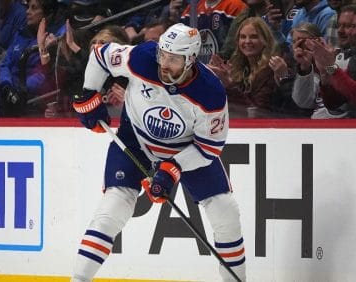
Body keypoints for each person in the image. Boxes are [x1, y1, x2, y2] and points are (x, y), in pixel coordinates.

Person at [71, 23, 246, 282]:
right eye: (163, 55)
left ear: (191, 60)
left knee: (225, 212)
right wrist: (89, 94)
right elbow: (100, 56)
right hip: (136, 141)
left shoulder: (210, 93)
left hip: (186, 150)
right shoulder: (143, 58)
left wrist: (173, 167)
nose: (164, 63)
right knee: (112, 210)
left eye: (174, 59)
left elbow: (209, 147)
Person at [0, 0, 64, 116]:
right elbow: (4, 64)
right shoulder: (22, 33)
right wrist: (6, 86)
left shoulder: (56, 37)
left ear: (48, 13)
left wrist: (19, 89)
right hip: (10, 91)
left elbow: (46, 74)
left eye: (34, 8)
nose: (27, 12)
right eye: (28, 7)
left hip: (34, 100)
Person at [209, 17, 281, 118]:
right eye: (243, 37)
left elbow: (255, 112)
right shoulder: (236, 67)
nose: (247, 41)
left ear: (265, 40)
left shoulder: (271, 70)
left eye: (254, 37)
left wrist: (230, 85)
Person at [180, 0, 247, 63]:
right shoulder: (191, 10)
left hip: (228, 68)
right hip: (199, 69)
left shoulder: (236, 6)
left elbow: (236, 43)